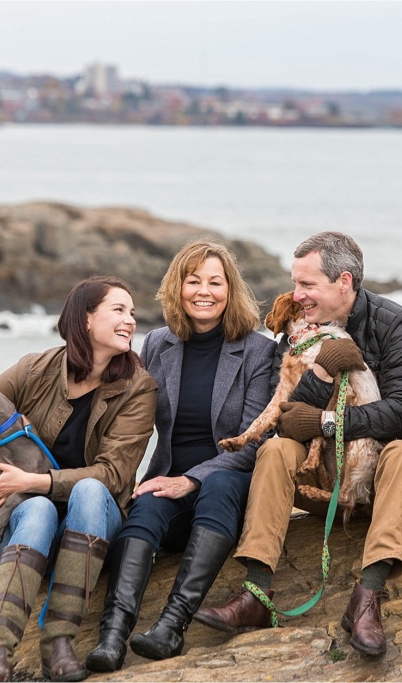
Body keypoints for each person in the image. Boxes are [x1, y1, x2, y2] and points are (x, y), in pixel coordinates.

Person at [194, 231, 402, 657]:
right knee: (275, 449)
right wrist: (320, 375)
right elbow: (286, 421)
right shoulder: (295, 335)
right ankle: (256, 594)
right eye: (295, 283)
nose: (297, 295)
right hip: (322, 482)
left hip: (384, 483)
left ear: (344, 281)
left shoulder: (397, 324)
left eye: (307, 285)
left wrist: (326, 422)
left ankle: (368, 597)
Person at [0, 276, 157, 682]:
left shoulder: (138, 388)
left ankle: (59, 642)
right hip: (23, 531)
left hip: (90, 528)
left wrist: (32, 482)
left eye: (133, 313)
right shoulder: (33, 369)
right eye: (118, 310)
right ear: (86, 319)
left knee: (88, 488)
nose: (130, 321)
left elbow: (114, 473)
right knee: (35, 509)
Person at [85, 241, 277, 672]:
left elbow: (251, 441)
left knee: (219, 483)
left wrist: (191, 479)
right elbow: (127, 414)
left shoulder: (258, 350)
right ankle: (113, 635)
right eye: (193, 281)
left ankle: (172, 626)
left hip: (229, 490)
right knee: (146, 506)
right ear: (178, 287)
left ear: (231, 289)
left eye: (215, 282)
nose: (203, 291)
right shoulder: (158, 344)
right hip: (169, 481)